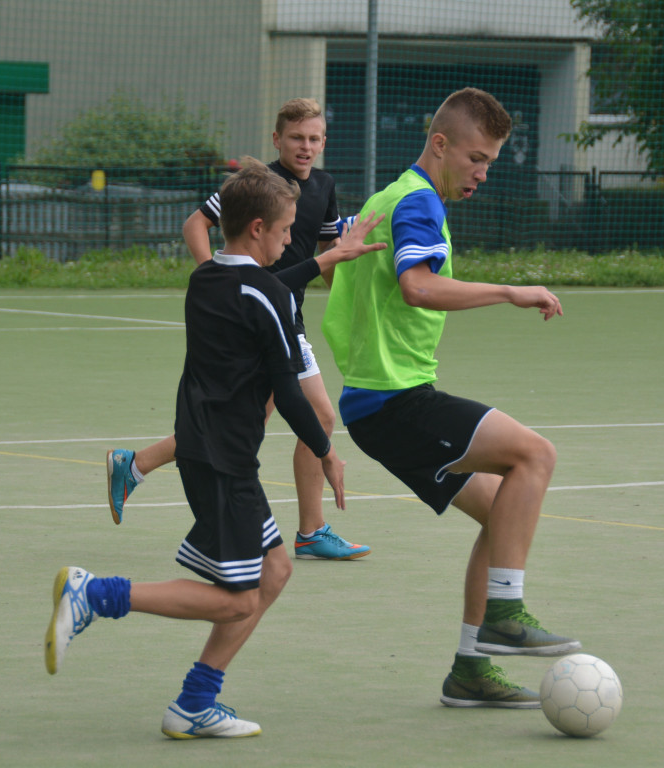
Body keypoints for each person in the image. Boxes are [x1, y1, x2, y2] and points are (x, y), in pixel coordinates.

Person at [45, 158, 385, 738]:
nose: (287, 240)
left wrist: (325, 259)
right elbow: (287, 389)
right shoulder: (269, 296)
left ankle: (195, 703)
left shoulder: (206, 279)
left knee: (274, 572)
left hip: (204, 450)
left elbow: (265, 284)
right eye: (283, 231)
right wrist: (326, 450)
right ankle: (94, 594)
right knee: (235, 601)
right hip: (227, 463)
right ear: (257, 228)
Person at [321, 88, 582, 710]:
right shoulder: (417, 202)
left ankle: (469, 671)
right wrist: (511, 291)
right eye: (476, 158)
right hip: (395, 401)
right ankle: (505, 612)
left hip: (376, 402)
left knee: (504, 515)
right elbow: (418, 287)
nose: (482, 174)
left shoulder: (384, 199)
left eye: (490, 162)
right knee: (535, 456)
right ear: (440, 145)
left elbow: (340, 276)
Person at [107, 97, 370, 561]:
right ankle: (308, 530)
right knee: (278, 418)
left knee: (265, 418)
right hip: (260, 315)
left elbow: (328, 252)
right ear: (277, 139)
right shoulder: (260, 185)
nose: (305, 147)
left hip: (286, 316)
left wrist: (347, 303)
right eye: (296, 138)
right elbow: (196, 223)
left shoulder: (324, 187)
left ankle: (138, 464)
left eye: (314, 139)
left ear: (325, 142)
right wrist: (221, 279)